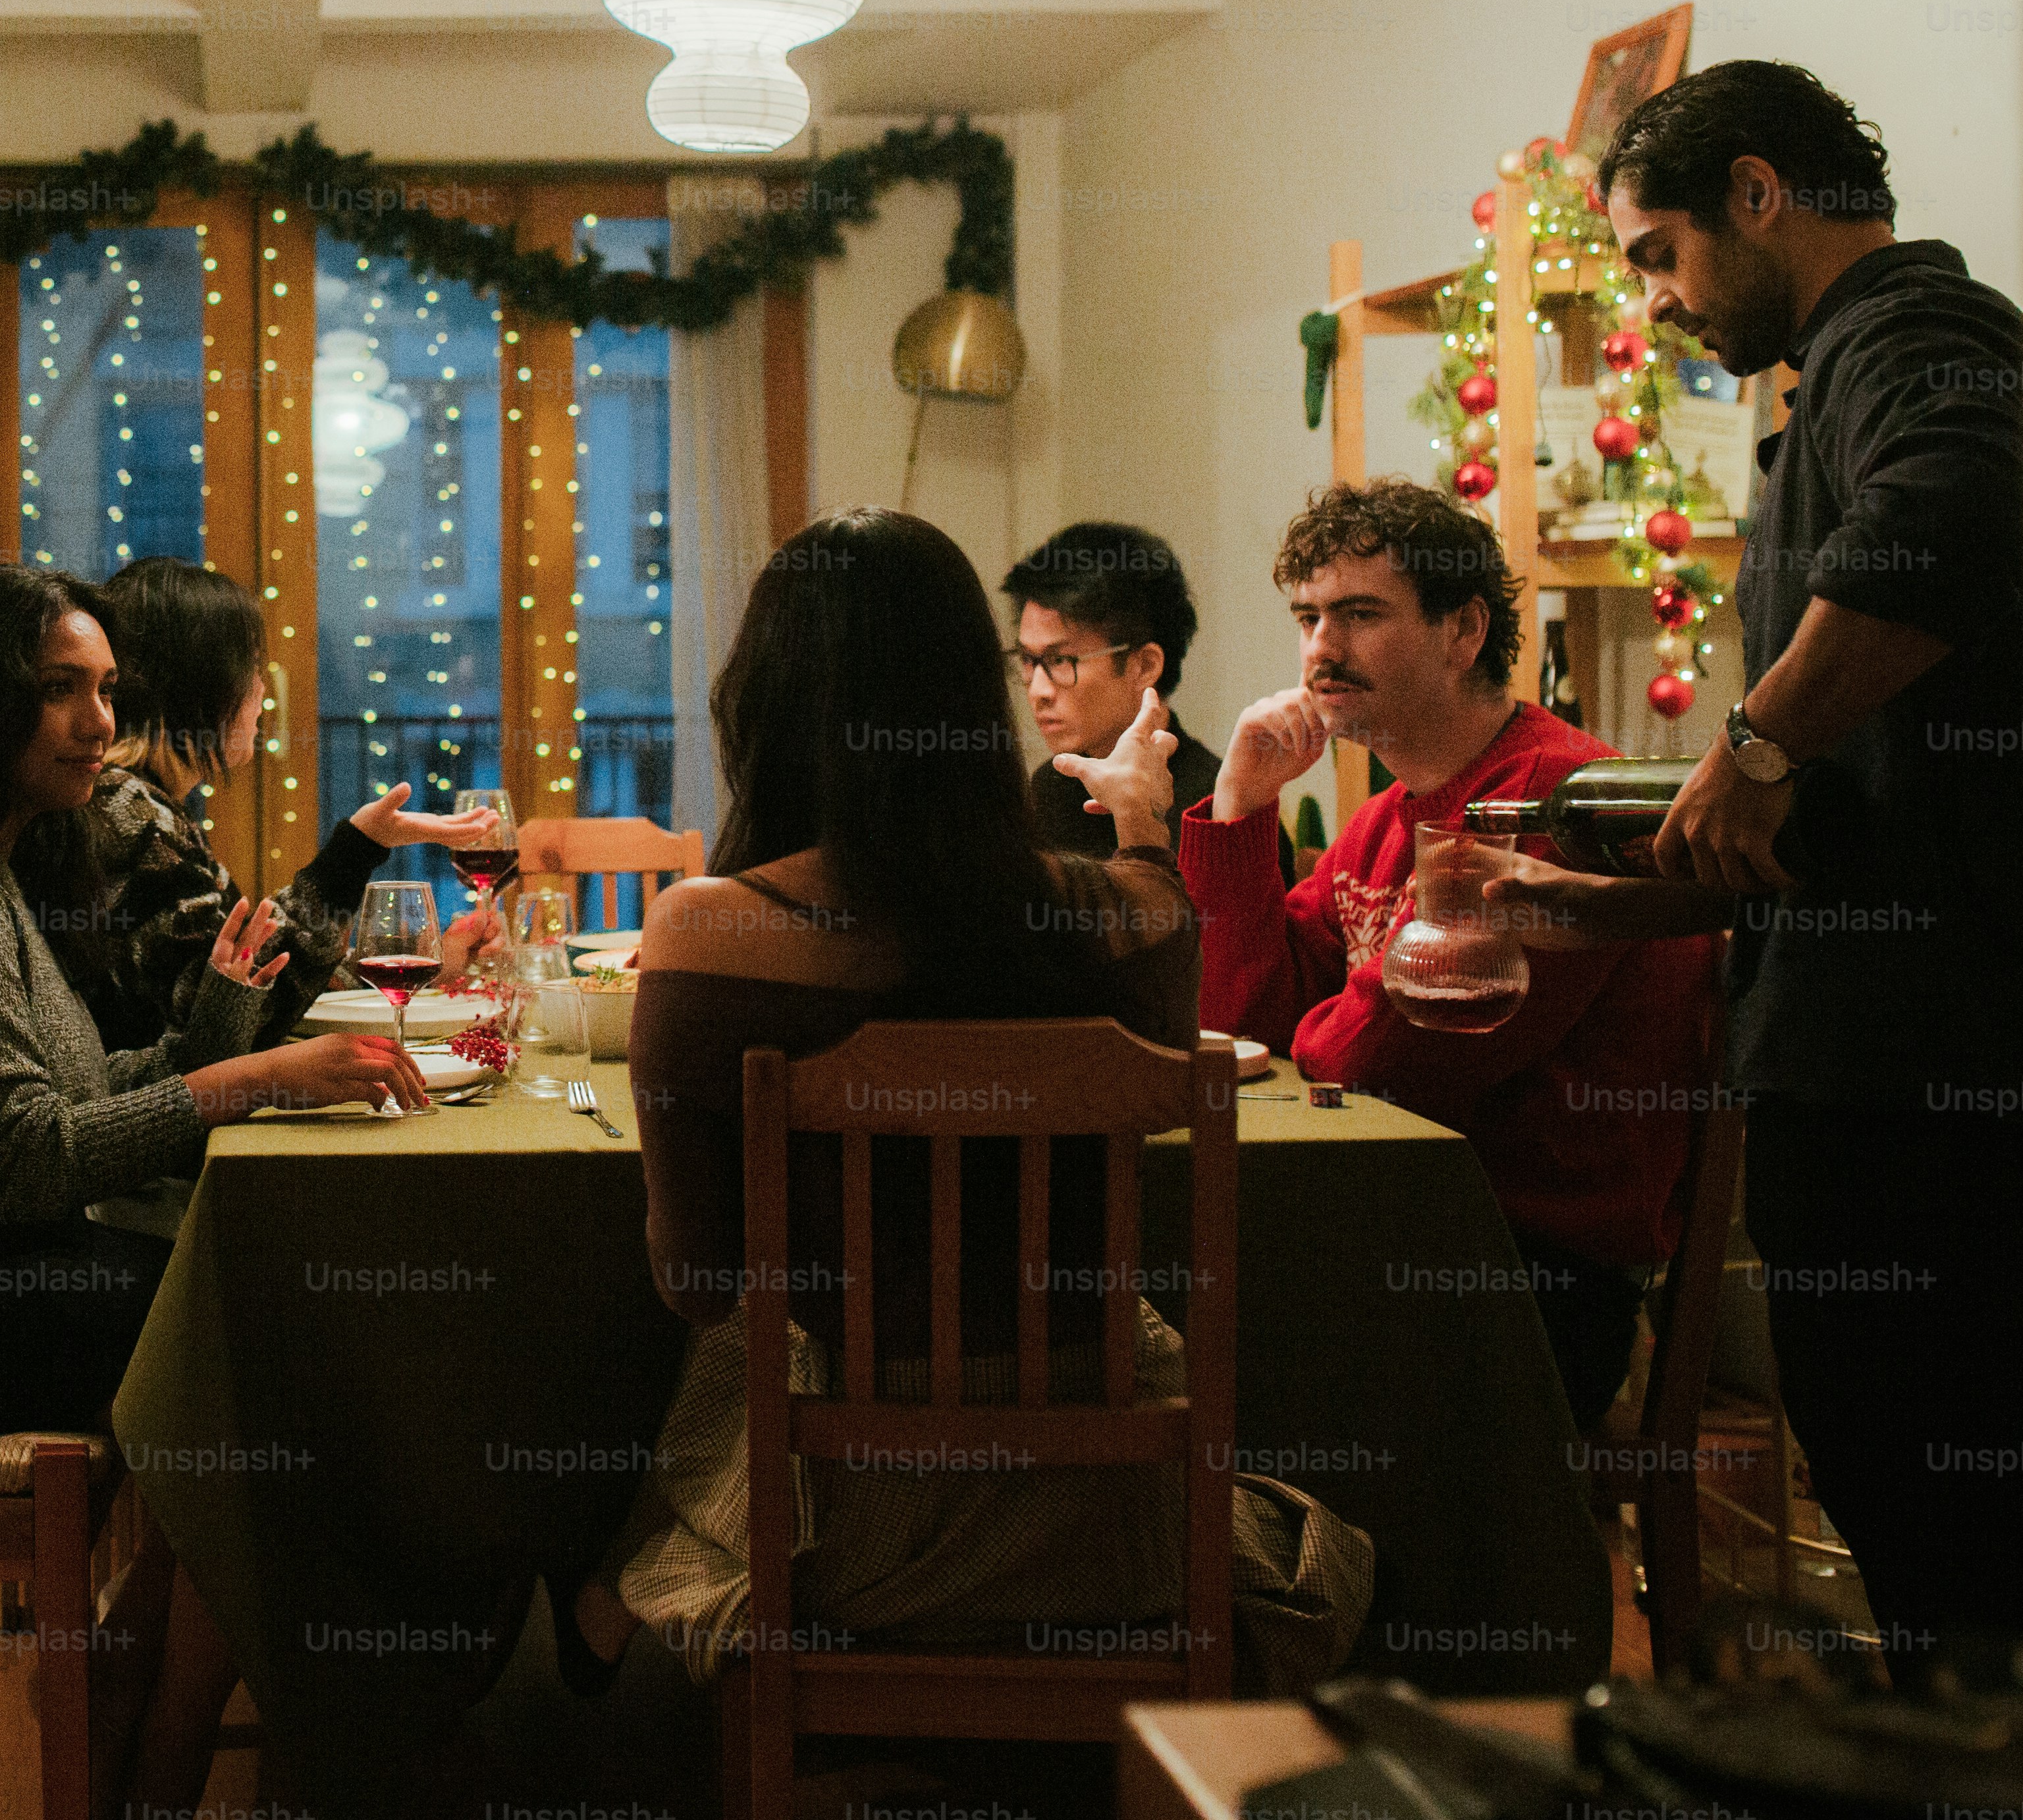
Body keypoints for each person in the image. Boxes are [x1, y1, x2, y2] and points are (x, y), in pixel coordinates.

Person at [1484, 61, 2022, 1663]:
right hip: (1868, 1054)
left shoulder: (1914, 338)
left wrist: (1753, 743)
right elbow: (1841, 814)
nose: (1650, 303)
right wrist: (1607, 901)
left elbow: (1956, 509)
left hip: (1923, 1072)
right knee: (1912, 1507)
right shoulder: (1835, 379)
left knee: (1945, 1527)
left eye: (1653, 255)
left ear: (1754, 194)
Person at [570, 508, 1234, 1682]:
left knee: (644, 1474)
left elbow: (697, 1278)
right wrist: (1140, 823)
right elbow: (1165, 951)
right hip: (1122, 1516)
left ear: (762, 700)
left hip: (850, 1529)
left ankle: (608, 1657)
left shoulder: (708, 933)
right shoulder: (1127, 918)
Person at [0, 562, 434, 1446]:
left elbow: (78, 1085)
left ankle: (233, 1578)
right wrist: (260, 1077)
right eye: (56, 691)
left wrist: (227, 1012)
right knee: (280, 1314)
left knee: (272, 1289)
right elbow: (25, 1161)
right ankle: (274, 1580)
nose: (99, 722)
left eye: (108, 690)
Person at [1183, 480, 1718, 1427]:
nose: (1320, 649)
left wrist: (1331, 1025)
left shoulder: (1551, 797)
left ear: (1464, 630)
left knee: (1194, 1367)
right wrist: (1239, 806)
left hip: (1525, 1275)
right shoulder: (1388, 817)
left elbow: (1391, 1067)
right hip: (1396, 1231)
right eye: (1308, 616)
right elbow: (1241, 1020)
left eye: (1359, 614)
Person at [70, 554, 493, 1058]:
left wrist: (429, 962)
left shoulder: (145, 806)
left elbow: (258, 981)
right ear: (200, 685)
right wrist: (350, 855)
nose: (262, 690)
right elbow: (230, 1024)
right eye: (249, 668)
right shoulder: (128, 814)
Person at [1002, 521, 1229, 859]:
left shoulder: (1214, 808)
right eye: (1028, 660)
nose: (1038, 690)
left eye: (1061, 660)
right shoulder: (1050, 787)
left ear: (1145, 666)